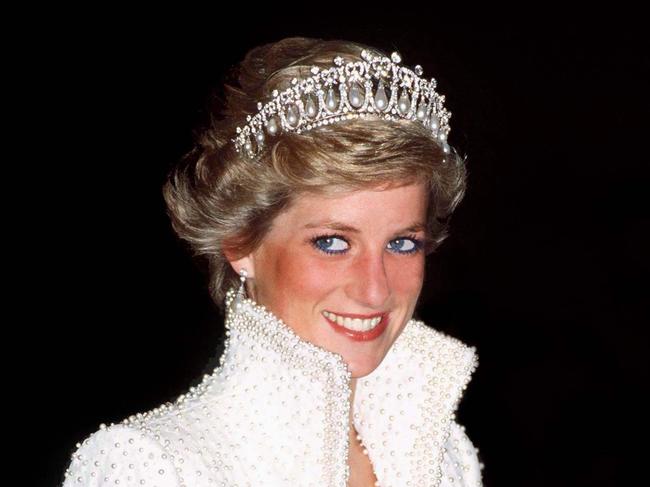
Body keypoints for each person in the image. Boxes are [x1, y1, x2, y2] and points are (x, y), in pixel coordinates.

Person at [61, 36, 484, 486]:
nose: (375, 289)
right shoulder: (154, 465)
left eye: (402, 244)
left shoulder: (445, 451)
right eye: (332, 243)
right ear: (240, 243)